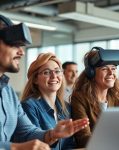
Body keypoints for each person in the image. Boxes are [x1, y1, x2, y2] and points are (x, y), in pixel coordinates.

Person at [0, 14, 89, 150]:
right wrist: (16, 148)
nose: (21, 52)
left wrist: (52, 134)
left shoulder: (8, 93)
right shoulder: (29, 105)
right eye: (13, 44)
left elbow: (27, 132)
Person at [71, 47, 119, 148]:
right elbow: (83, 138)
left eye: (113, 68)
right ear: (91, 72)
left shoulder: (118, 96)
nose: (111, 73)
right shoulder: (80, 98)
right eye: (104, 69)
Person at [21, 53, 79, 150]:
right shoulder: (28, 106)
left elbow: (70, 145)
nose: (54, 76)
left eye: (57, 71)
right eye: (46, 72)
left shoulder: (66, 107)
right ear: (35, 79)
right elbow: (35, 145)